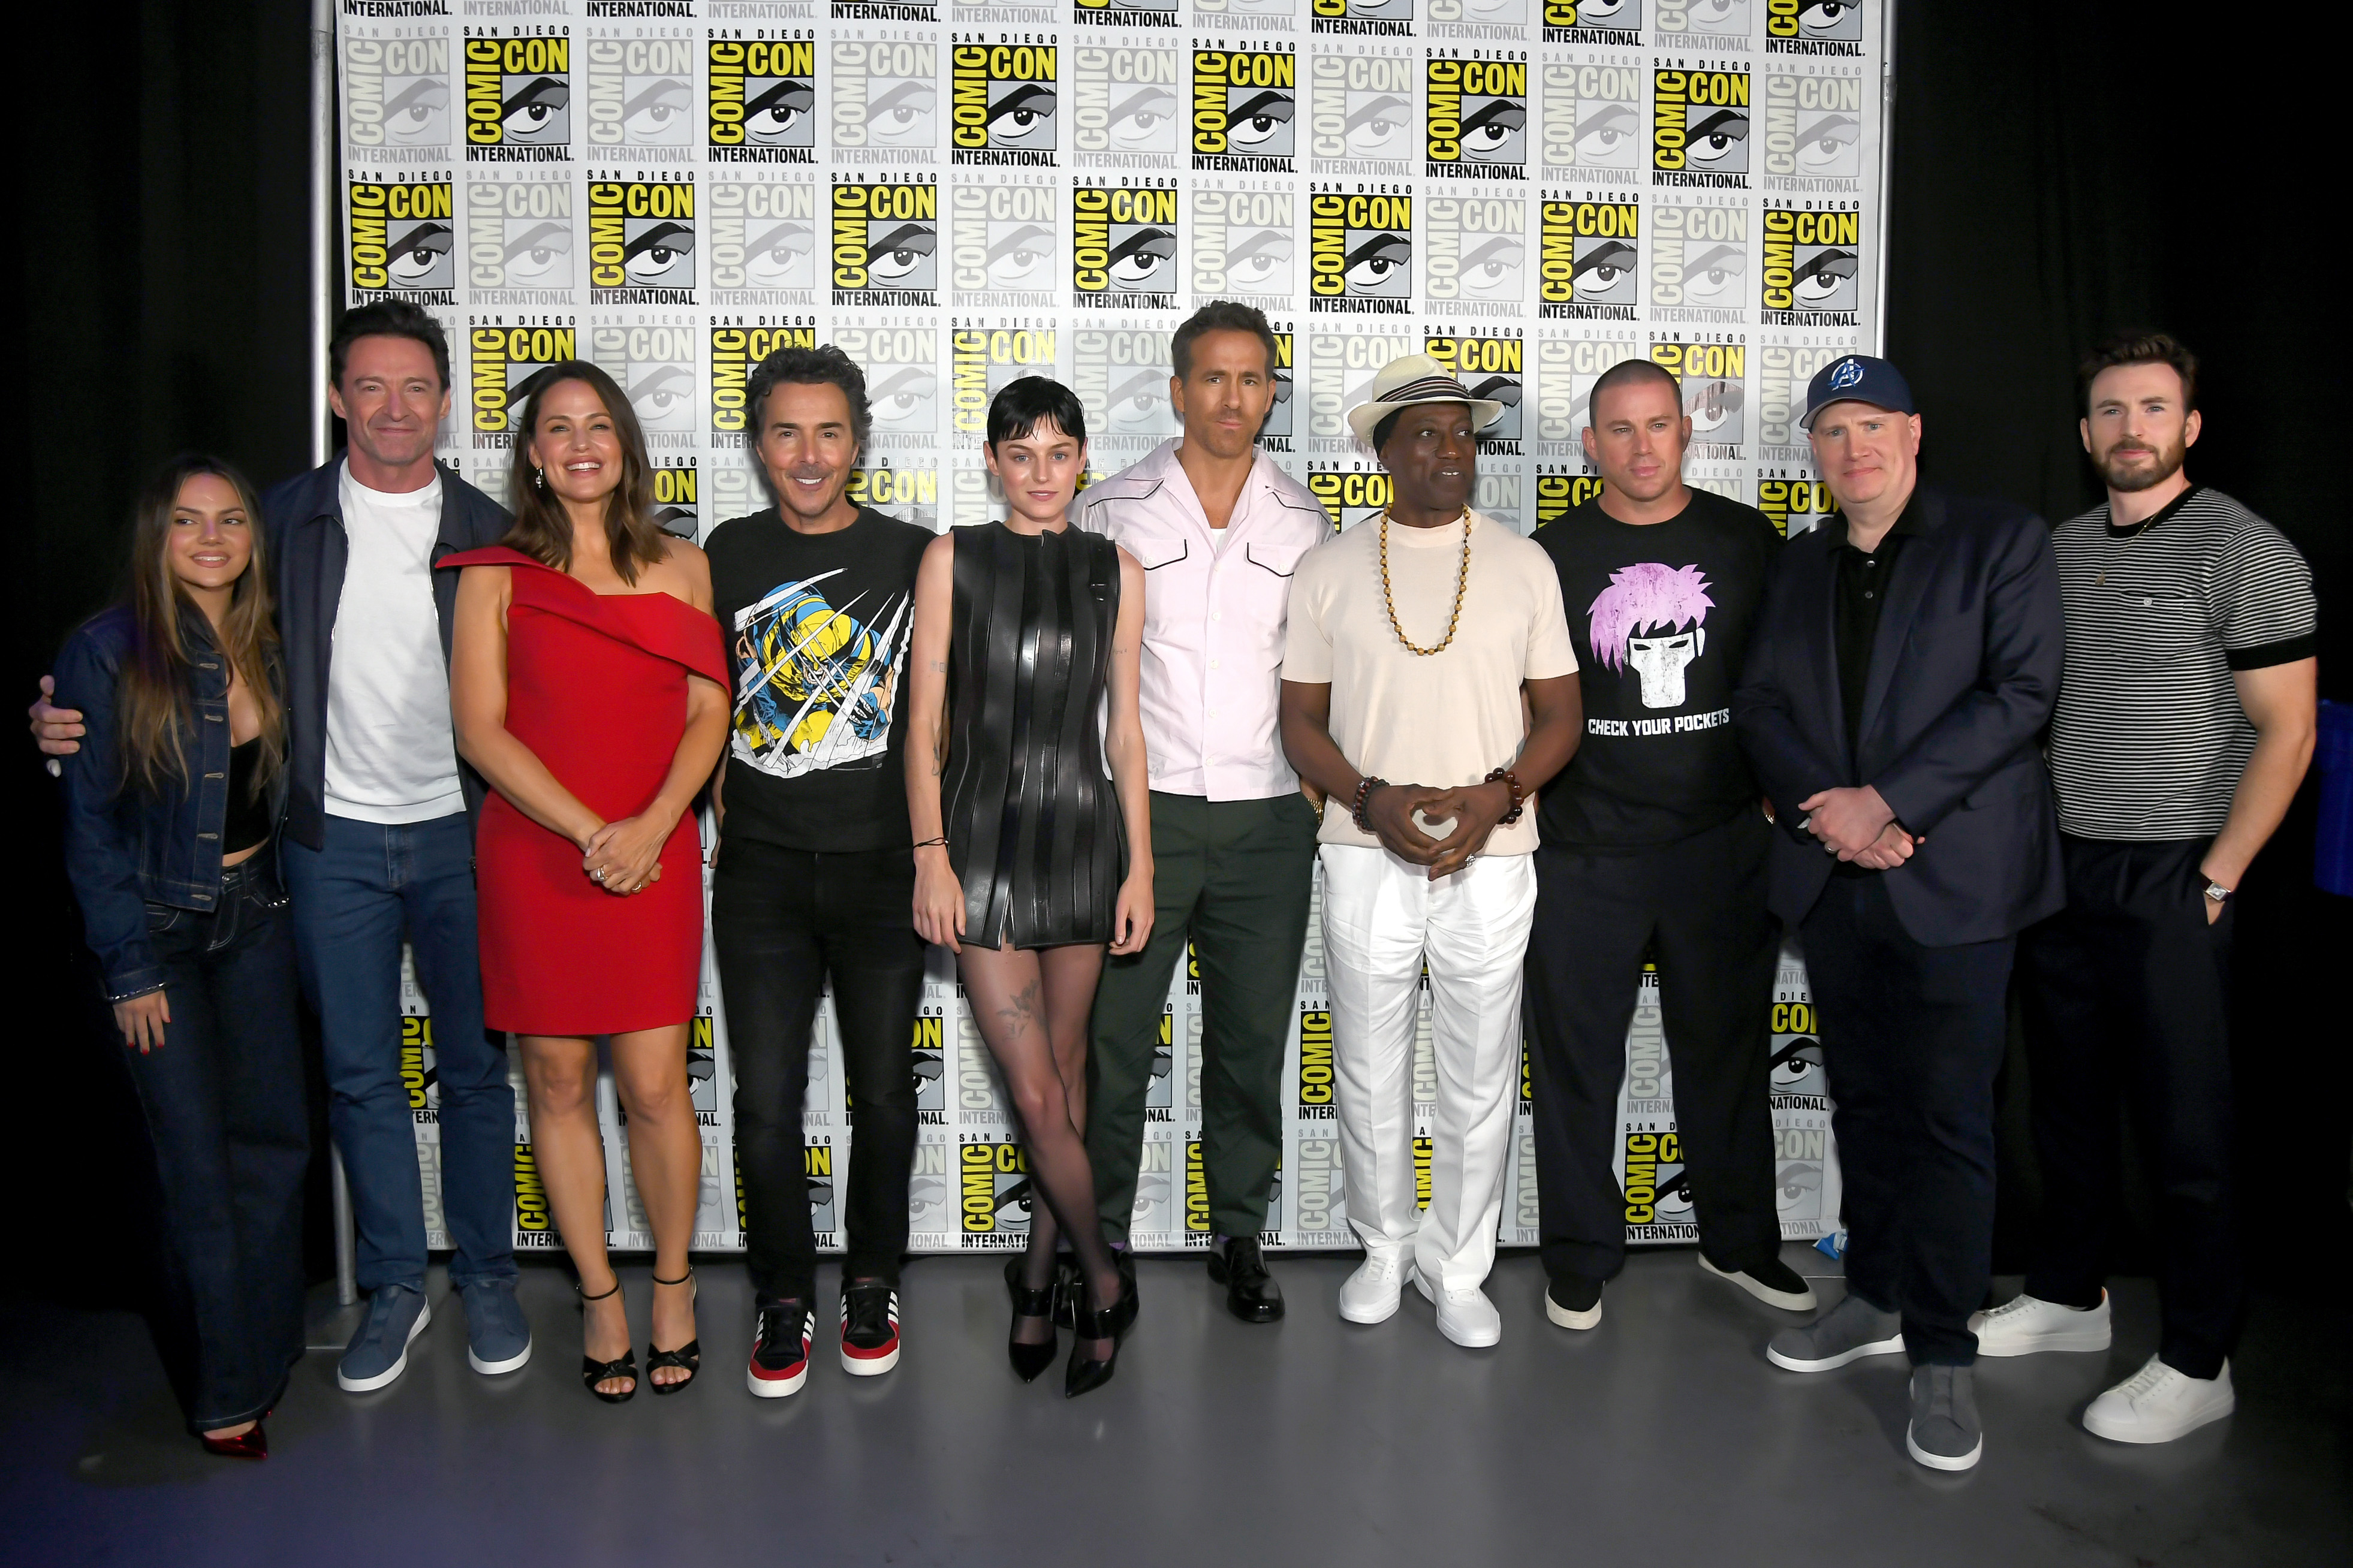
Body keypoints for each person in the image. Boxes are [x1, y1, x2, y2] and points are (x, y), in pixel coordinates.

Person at [34, 302, 528, 1394]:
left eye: (415, 388)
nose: (393, 408)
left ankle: (487, 1274)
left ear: (446, 402)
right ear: (338, 396)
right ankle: (397, 1282)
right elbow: (168, 642)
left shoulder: (498, 534)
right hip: (327, 843)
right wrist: (68, 712)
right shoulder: (281, 522)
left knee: (477, 1073)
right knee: (358, 1079)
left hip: (464, 836)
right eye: (371, 386)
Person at [1979, 333, 2317, 1444]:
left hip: (2178, 869)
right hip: (2065, 865)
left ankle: (2198, 1356)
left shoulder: (2245, 549)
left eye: (2153, 408)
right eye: (2110, 411)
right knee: (2068, 1102)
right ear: (2084, 436)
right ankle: (2069, 1296)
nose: (2131, 427)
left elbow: (2288, 728)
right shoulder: (2060, 551)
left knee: (2189, 1126)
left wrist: (2217, 876)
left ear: (2189, 427)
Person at [1732, 354, 2065, 1473]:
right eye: (1832, 432)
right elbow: (1763, 702)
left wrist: (1890, 804)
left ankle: (1942, 1351)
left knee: (1949, 1121)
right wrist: (1840, 824)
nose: (1852, 449)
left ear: (1913, 434)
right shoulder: (1797, 562)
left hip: (1956, 885)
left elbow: (2019, 693)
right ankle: (1870, 1295)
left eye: (1872, 425)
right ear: (1815, 452)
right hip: (1836, 883)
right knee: (1865, 1106)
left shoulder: (1997, 540)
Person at [1278, 354, 1581, 1349]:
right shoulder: (1327, 569)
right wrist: (1371, 800)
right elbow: (1300, 725)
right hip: (1365, 849)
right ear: (1382, 453)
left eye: (1465, 435)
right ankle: (1382, 1248)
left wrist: (1496, 798)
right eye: (1428, 435)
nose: (1453, 452)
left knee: (1479, 1069)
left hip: (1493, 854)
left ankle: (1458, 1267)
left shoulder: (1522, 562)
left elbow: (1561, 716)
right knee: (1366, 1065)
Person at [445, 364, 728, 1401]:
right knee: (556, 1084)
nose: (578, 444)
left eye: (597, 425)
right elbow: (479, 729)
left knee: (655, 1087)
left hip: (652, 854)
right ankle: (599, 1294)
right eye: (556, 429)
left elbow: (709, 715)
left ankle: (673, 1283)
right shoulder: (494, 573)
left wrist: (651, 827)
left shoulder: (686, 568)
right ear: (530, 455)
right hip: (537, 853)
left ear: (625, 446)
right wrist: (587, 831)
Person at [1526, 358, 1812, 1332]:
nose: (1640, 446)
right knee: (1574, 1065)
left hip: (1719, 848)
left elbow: (1788, 681)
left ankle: (1738, 1243)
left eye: (1656, 425)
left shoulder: (1744, 539)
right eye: (1619, 429)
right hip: (1584, 852)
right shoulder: (1549, 554)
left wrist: (1788, 794)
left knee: (1726, 1056)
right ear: (1590, 444)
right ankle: (1577, 1254)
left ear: (1686, 430)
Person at [1072, 301, 1329, 1323]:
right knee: (1114, 1040)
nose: (1233, 397)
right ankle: (1103, 1239)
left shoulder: (1305, 521)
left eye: (1253, 378)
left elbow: (1321, 676)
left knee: (1250, 1041)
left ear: (1272, 392)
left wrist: (1308, 798)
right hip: (1143, 820)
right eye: (1212, 378)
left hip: (1267, 822)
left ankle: (1239, 1234)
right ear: (1177, 391)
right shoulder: (1111, 510)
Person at [904, 376, 1152, 1397]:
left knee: (1066, 1074)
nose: (1041, 473)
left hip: (1085, 842)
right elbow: (922, 725)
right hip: (981, 850)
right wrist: (929, 853)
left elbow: (1125, 732)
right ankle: (1103, 1279)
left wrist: (1140, 863)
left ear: (1082, 460)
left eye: (1059, 453)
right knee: (1039, 1090)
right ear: (994, 463)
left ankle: (1039, 1273)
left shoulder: (1117, 569)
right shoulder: (951, 559)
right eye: (1021, 453)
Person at [55, 458, 308, 1458]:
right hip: (160, 935)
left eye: (232, 519)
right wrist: (127, 968)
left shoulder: (265, 641)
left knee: (275, 1146)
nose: (212, 538)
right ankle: (224, 1395)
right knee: (194, 1167)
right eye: (188, 522)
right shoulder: (106, 651)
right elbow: (89, 828)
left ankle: (265, 1346)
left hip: (259, 918)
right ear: (156, 536)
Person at [704, 346, 932, 1398]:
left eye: (828, 432)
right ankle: (784, 1292)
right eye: (787, 432)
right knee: (764, 1103)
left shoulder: (914, 556)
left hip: (885, 872)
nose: (808, 454)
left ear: (859, 443)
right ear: (759, 444)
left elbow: (946, 721)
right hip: (758, 874)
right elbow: (701, 702)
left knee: (887, 1096)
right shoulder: (725, 552)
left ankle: (873, 1279)